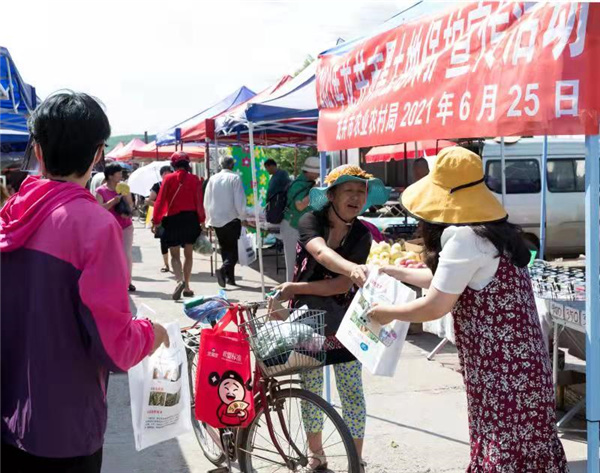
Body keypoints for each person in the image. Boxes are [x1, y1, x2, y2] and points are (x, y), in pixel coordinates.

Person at [367, 147, 568, 471]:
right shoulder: (491, 231)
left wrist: (388, 312)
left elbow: (437, 303)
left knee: (505, 455)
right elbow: (447, 279)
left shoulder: (464, 236)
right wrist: (396, 272)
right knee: (528, 453)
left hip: (503, 374)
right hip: (523, 369)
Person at [0, 91, 169, 473]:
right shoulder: (93, 225)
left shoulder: (9, 214)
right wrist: (152, 333)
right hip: (65, 429)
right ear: (97, 154)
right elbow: (116, 348)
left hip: (8, 416)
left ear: (38, 151)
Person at [275, 164, 390, 471]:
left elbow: (341, 285)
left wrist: (296, 286)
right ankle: (316, 454)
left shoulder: (363, 235)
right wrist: (347, 270)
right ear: (332, 196)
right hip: (307, 316)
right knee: (310, 387)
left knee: (352, 390)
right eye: (348, 191)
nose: (356, 197)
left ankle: (356, 458)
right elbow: (321, 253)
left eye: (361, 192)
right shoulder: (310, 220)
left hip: (348, 321)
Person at [153, 152, 205, 301]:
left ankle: (179, 280)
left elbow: (160, 201)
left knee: (175, 255)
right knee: (188, 255)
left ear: (173, 165)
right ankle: (187, 287)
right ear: (188, 164)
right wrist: (202, 220)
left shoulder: (168, 179)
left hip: (173, 219)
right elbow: (199, 202)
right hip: (191, 219)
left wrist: (156, 220)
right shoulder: (195, 179)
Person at [203, 156, 246, 287]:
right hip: (231, 218)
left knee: (225, 249)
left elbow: (207, 200)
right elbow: (239, 200)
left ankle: (229, 278)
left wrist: (208, 219)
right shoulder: (235, 178)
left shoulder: (213, 179)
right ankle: (223, 270)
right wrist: (243, 216)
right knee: (233, 251)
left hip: (216, 219)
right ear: (232, 165)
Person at [96, 163, 136, 292]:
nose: (121, 175)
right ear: (110, 176)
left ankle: (127, 281)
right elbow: (99, 209)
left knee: (126, 254)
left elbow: (131, 206)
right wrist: (113, 202)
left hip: (126, 226)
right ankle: (111, 280)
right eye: (118, 173)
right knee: (110, 254)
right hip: (109, 227)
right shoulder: (101, 191)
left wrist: (128, 211)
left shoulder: (124, 188)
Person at [279, 156, 320, 281]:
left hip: (299, 226)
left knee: (303, 261)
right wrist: (314, 190)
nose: (318, 174)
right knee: (292, 262)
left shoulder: (307, 183)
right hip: (291, 226)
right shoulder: (298, 185)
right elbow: (300, 205)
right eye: (317, 171)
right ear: (309, 171)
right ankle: (289, 292)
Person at [147, 165, 173, 273]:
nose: (167, 175)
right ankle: (166, 264)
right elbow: (149, 201)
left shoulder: (175, 185)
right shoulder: (157, 186)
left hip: (173, 216)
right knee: (163, 241)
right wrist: (160, 206)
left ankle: (175, 262)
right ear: (161, 175)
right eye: (164, 173)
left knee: (174, 240)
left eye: (169, 172)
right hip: (161, 217)